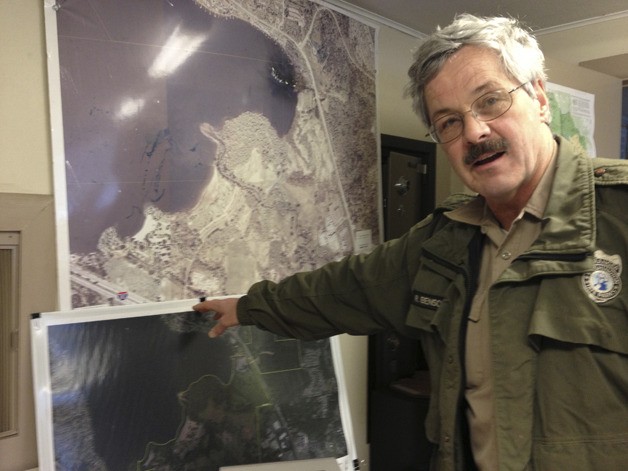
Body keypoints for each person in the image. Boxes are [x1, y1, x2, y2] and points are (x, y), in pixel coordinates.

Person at [193, 14, 628, 470]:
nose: (475, 132)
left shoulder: (617, 216)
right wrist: (247, 308)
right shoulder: (445, 240)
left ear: (538, 96)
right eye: (450, 122)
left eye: (491, 101)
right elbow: (342, 290)